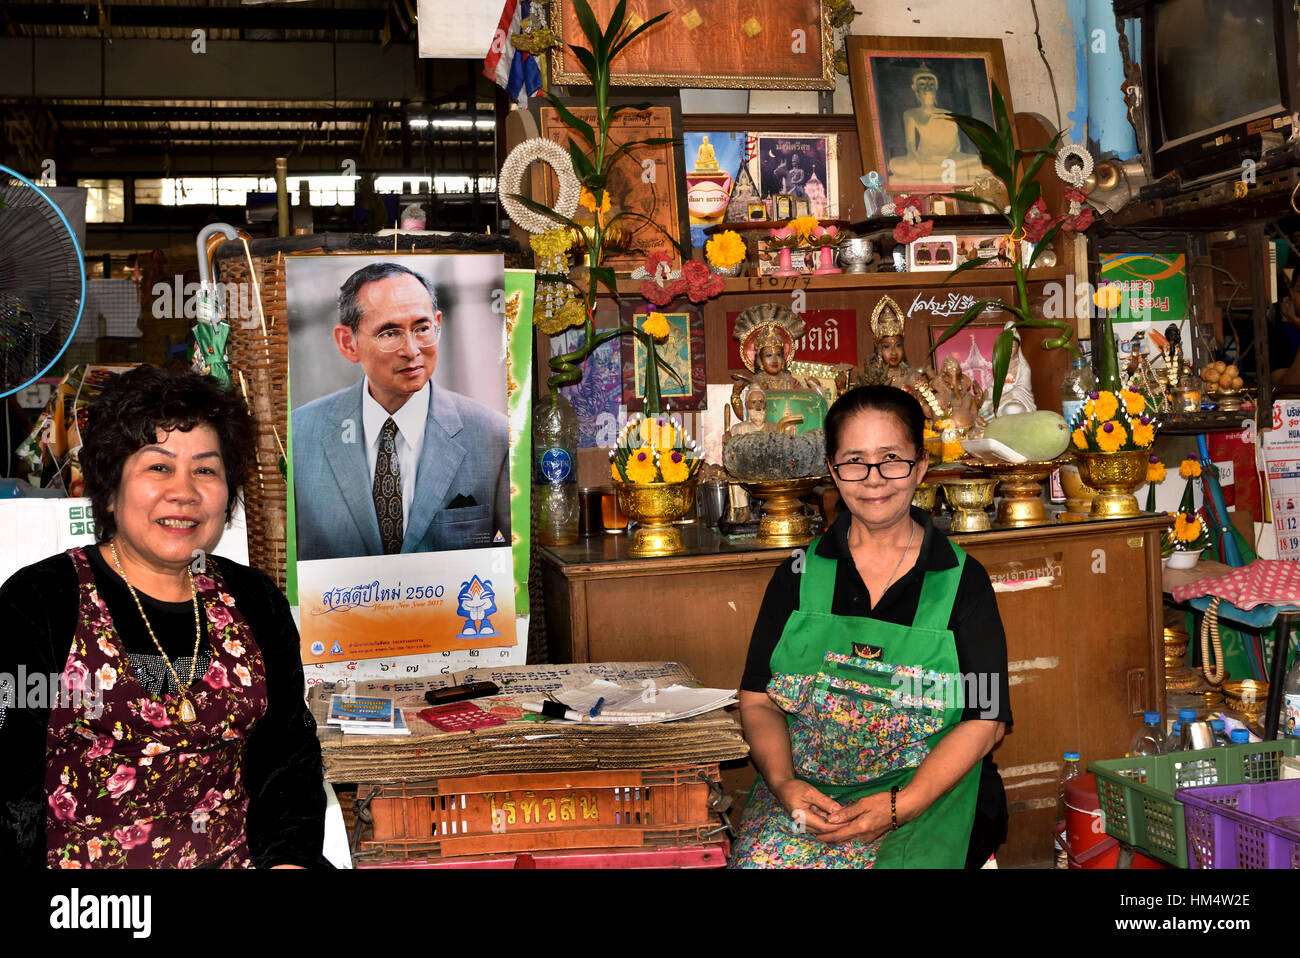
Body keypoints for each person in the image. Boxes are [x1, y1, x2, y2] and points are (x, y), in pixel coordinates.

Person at [0, 366, 328, 868]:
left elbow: (288, 758)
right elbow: (7, 782)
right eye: (158, 468)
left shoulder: (254, 599)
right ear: (110, 489)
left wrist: (288, 861)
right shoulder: (40, 602)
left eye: (205, 469)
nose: (184, 492)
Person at [731, 385, 1011, 868]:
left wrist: (903, 804)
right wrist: (783, 784)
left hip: (929, 793)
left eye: (892, 459)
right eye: (855, 460)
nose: (874, 479)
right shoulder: (798, 575)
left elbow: (986, 720)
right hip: (813, 796)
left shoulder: (961, 580)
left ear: (920, 466)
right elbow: (758, 700)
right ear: (834, 470)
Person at [292, 262, 510, 561]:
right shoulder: (300, 437)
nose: (411, 350)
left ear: (438, 324)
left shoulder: (493, 437)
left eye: (422, 328)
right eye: (389, 333)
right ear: (348, 343)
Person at [888, 64, 988, 184]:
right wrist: (914, 158)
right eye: (922, 84)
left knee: (980, 163)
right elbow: (910, 145)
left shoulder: (947, 114)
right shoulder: (910, 114)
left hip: (951, 160)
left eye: (931, 84)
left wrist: (953, 157)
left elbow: (957, 147)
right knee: (896, 164)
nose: (927, 88)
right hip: (924, 160)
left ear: (936, 88)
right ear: (915, 89)